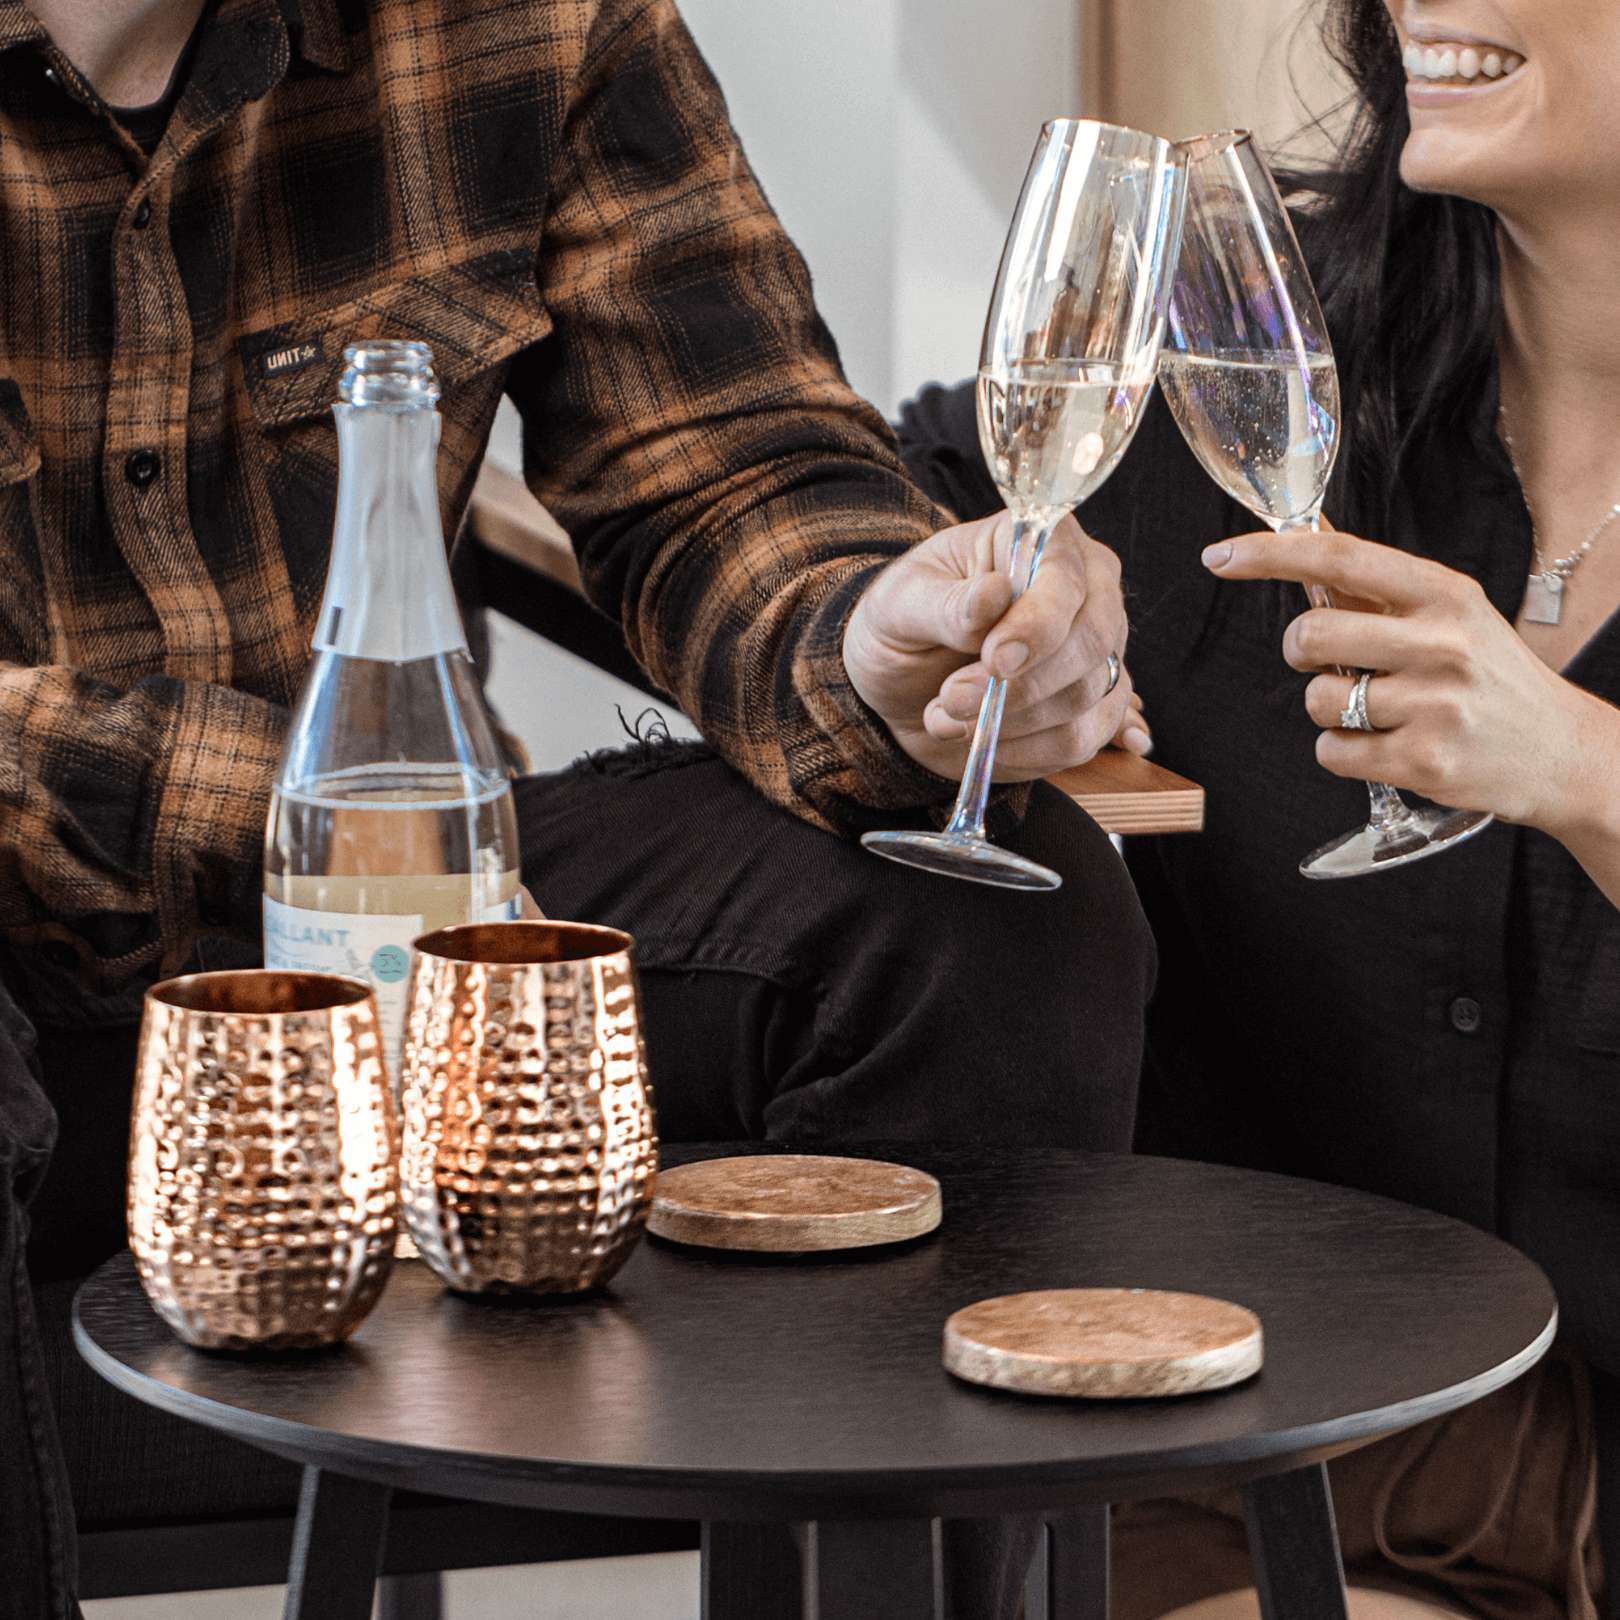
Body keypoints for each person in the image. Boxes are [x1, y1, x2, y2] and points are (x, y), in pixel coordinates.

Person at [0, 0, 1158, 1613]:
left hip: (411, 930)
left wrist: (872, 648)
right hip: (85, 960)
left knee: (976, 914)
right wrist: (310, 800)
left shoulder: (530, 22)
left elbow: (731, 462)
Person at [896, 1, 1620, 1616]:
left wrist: (1577, 768)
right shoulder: (1246, 349)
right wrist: (946, 633)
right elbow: (894, 516)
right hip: (1237, 1441)